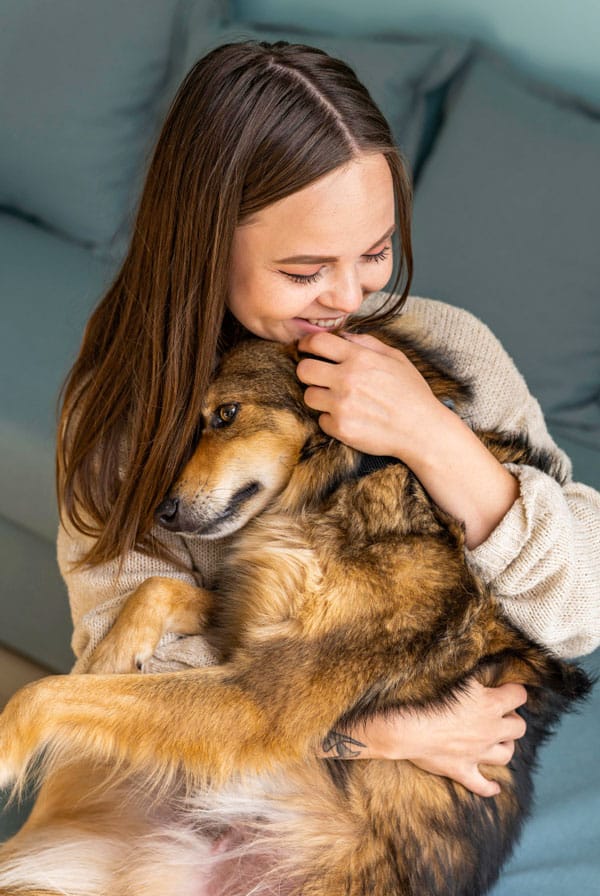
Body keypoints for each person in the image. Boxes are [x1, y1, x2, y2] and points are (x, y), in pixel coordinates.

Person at [56, 40, 600, 801]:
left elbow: (582, 615)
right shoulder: (123, 407)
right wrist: (385, 732)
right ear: (206, 244)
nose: (346, 298)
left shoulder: (453, 349)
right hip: (218, 780)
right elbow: (123, 667)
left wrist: (436, 438)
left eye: (376, 252)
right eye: (304, 272)